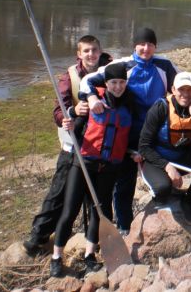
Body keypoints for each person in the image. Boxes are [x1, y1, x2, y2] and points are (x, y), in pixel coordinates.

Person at [79, 27, 177, 235]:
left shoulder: (164, 66)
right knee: (122, 184)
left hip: (154, 137)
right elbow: (88, 81)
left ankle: (161, 214)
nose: (146, 48)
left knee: (157, 179)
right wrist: (92, 98)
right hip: (126, 136)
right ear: (135, 45)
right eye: (142, 44)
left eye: (150, 44)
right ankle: (121, 227)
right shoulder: (123, 65)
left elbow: (181, 89)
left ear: (155, 46)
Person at [23, 35, 111, 255]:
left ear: (100, 51)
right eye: (87, 51)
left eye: (94, 50)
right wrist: (72, 112)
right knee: (60, 190)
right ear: (79, 54)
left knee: (95, 197)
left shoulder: (110, 71)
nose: (91, 54)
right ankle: (39, 235)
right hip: (74, 143)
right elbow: (58, 111)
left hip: (100, 145)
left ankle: (94, 239)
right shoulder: (69, 77)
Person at [50, 63, 133, 277]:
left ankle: (89, 256)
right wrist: (70, 123)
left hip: (109, 167)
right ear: (106, 83)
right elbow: (76, 122)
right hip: (84, 164)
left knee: (101, 211)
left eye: (122, 82)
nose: (118, 86)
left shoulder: (129, 104)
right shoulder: (92, 98)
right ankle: (56, 258)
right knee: (69, 210)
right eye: (113, 82)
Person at [138, 71, 191, 226]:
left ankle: (189, 198)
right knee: (162, 190)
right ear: (173, 90)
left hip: (183, 159)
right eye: (181, 89)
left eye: (190, 90)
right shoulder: (160, 108)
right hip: (157, 161)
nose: (185, 94)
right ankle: (163, 186)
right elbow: (143, 147)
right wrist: (167, 167)